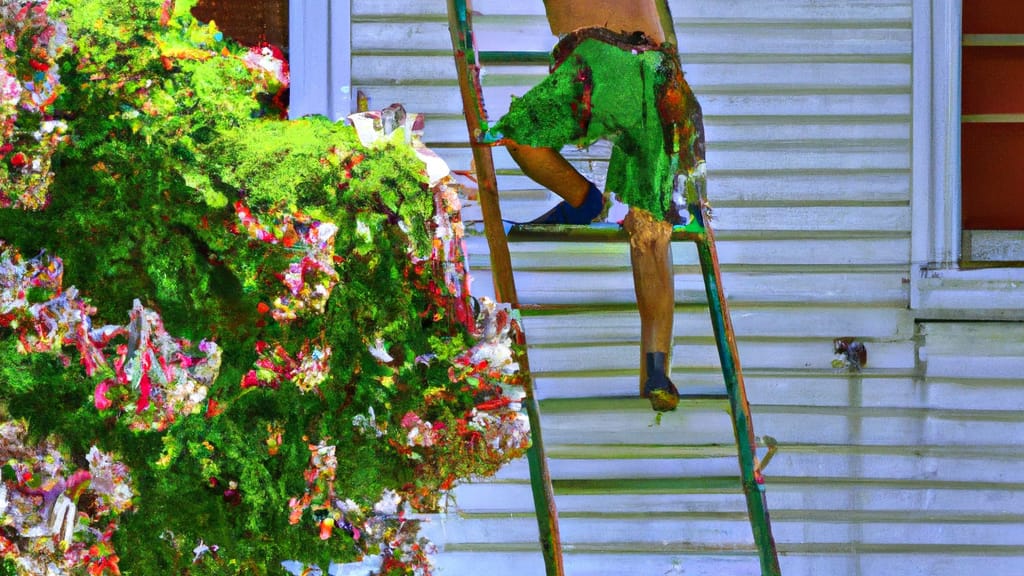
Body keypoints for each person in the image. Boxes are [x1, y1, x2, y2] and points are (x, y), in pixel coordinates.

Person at [484, 0, 706, 412]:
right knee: (651, 236)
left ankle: (584, 200)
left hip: (603, 64)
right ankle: (656, 370)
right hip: (659, 76)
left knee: (520, 136)